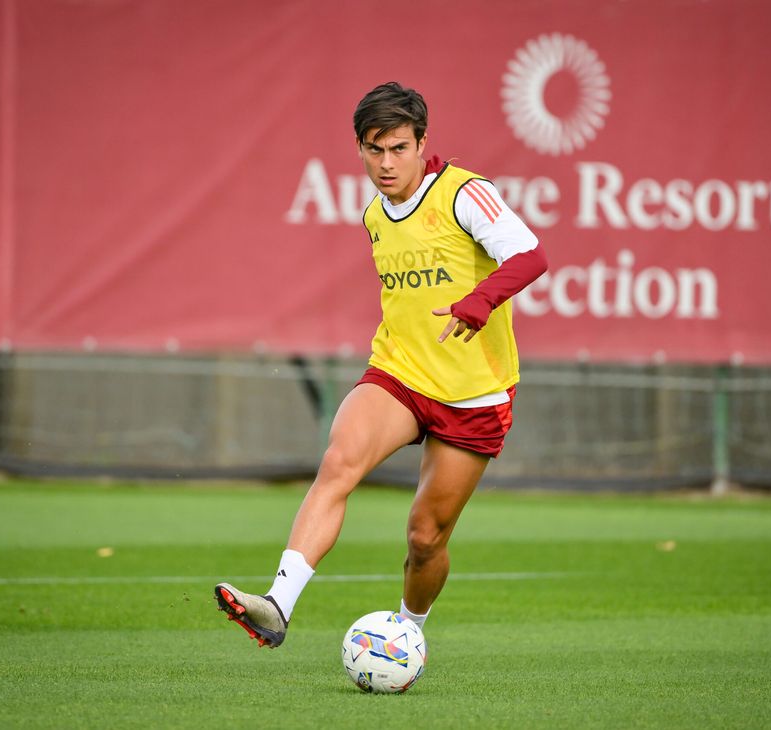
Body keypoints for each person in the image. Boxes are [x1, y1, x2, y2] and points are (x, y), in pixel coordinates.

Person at [214, 81, 548, 647]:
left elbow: (531, 255)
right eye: (374, 149)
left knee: (425, 538)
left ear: (422, 144)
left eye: (398, 148)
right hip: (398, 374)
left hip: (473, 393)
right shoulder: (376, 214)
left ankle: (408, 634)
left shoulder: (465, 195)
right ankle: (277, 605)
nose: (386, 162)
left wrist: (479, 300)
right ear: (360, 150)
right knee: (338, 462)